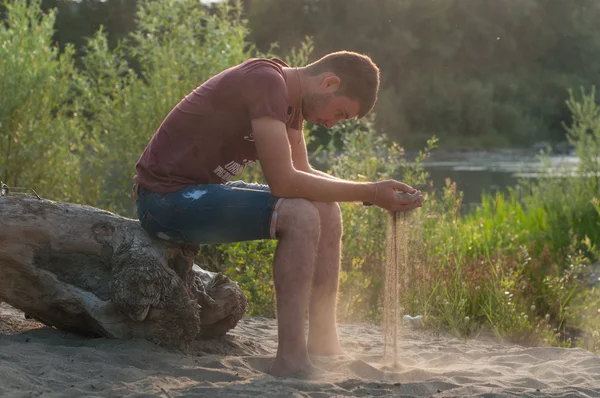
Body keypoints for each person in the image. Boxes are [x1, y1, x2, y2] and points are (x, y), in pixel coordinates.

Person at [132, 51, 424, 377]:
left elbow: (303, 172)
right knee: (299, 215)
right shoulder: (266, 82)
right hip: (164, 202)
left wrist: (374, 191)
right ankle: (290, 359)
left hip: (199, 195)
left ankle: (324, 342)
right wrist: (370, 192)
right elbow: (284, 182)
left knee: (326, 209)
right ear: (329, 82)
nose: (331, 124)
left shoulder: (290, 101)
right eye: (339, 113)